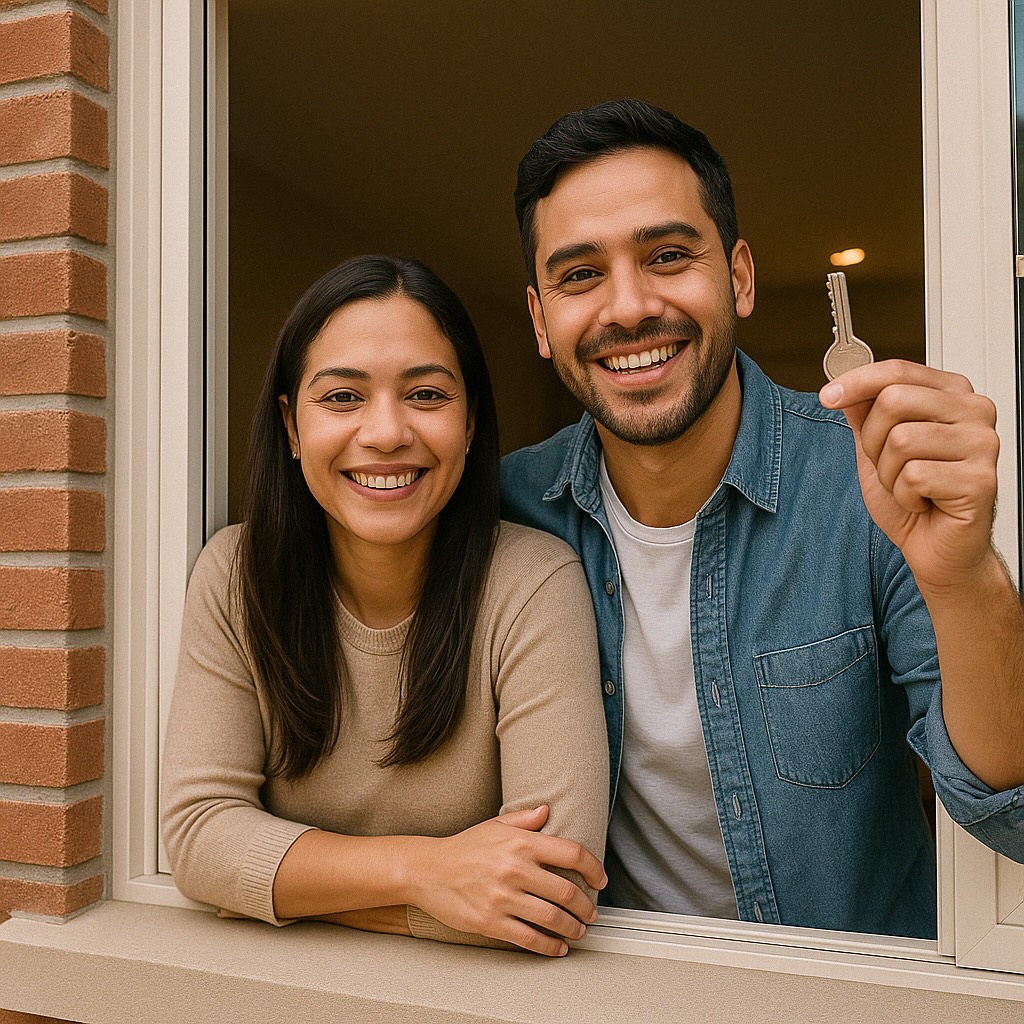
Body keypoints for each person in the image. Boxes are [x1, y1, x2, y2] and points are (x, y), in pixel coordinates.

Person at [500, 99, 1024, 940]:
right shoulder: (503, 513)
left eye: (668, 256)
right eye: (580, 274)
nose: (628, 307)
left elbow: (1012, 815)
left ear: (738, 277)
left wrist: (962, 575)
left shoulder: (866, 484)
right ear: (539, 320)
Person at [161, 254, 609, 957]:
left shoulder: (532, 581)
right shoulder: (235, 575)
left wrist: (275, 887)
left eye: (427, 395)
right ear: (291, 425)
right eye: (342, 397)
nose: (385, 432)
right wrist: (427, 872)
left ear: (469, 424)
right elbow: (198, 837)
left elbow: (549, 888)